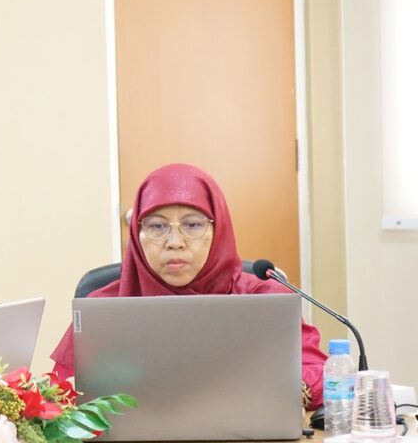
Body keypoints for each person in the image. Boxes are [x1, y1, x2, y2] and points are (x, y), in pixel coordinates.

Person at [50, 163, 326, 410]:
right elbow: (58, 394)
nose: (175, 242)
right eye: (157, 227)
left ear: (218, 230)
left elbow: (321, 373)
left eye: (192, 225)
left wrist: (291, 389)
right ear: (137, 233)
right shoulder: (103, 307)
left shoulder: (263, 298)